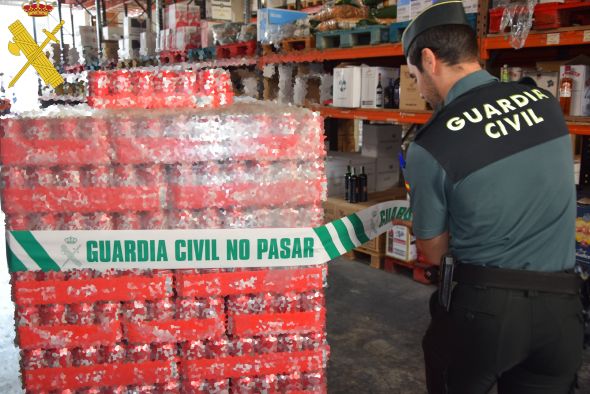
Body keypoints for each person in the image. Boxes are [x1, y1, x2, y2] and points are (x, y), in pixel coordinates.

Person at [399, 1, 583, 393]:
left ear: (429, 59)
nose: (419, 88)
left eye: (415, 76)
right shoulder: (546, 104)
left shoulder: (432, 145)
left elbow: (432, 252)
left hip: (485, 316)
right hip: (562, 313)